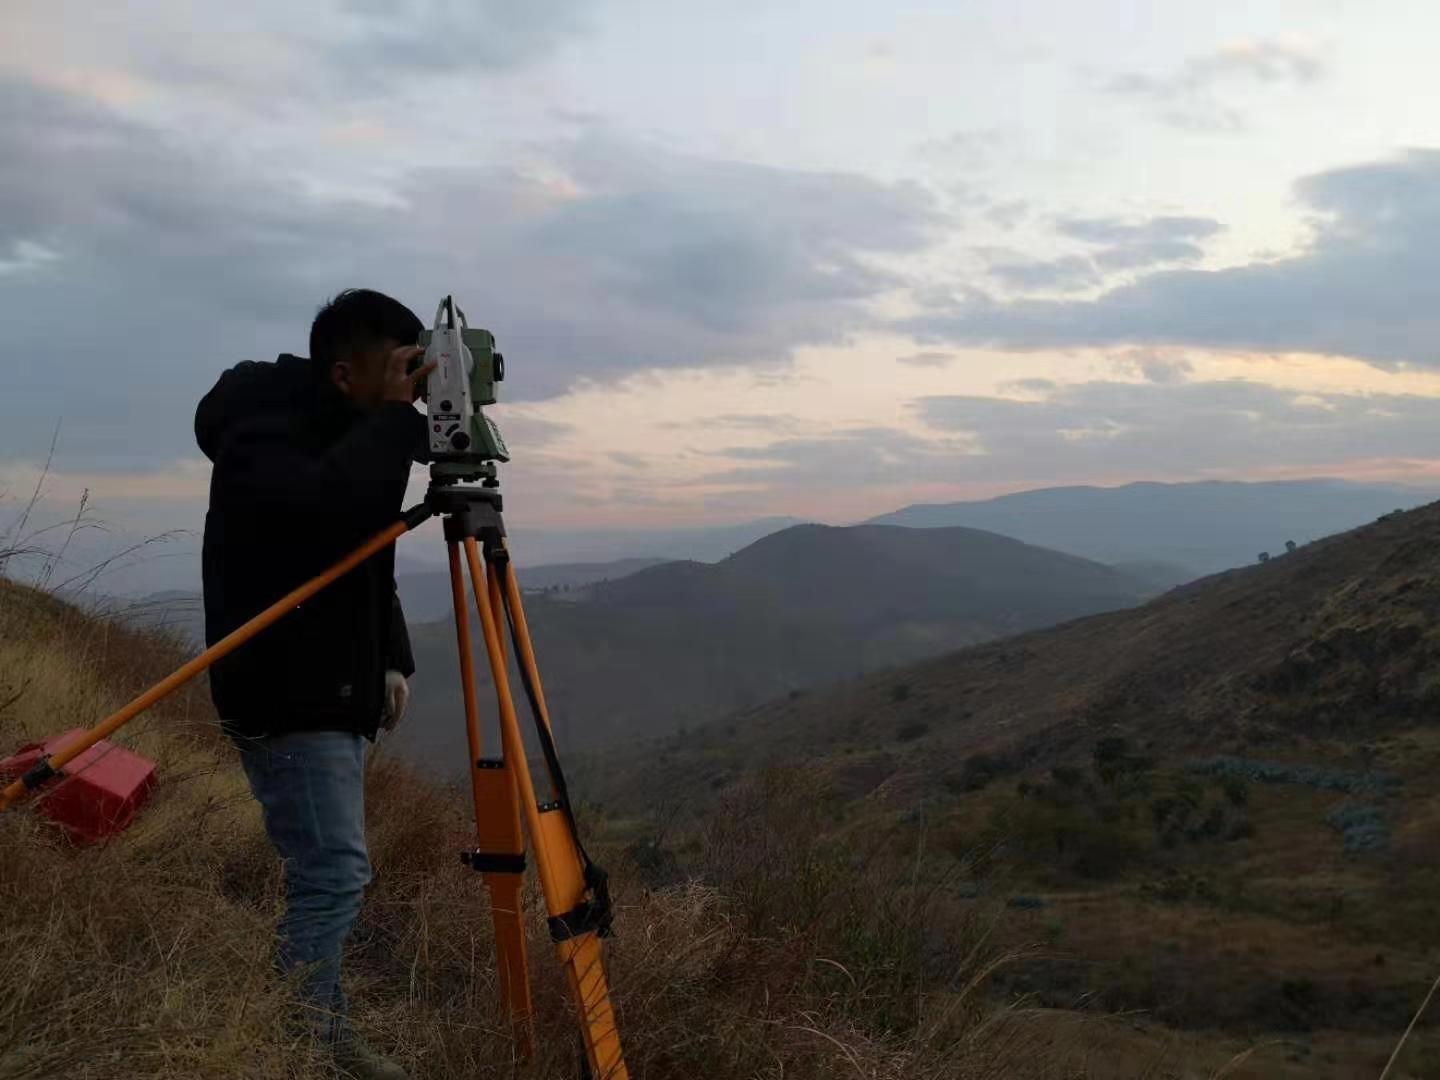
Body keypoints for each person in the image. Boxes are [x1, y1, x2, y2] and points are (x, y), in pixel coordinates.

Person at [194, 289, 435, 1080]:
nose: (415, 387)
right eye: (401, 371)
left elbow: (362, 548)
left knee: (326, 865)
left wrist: (389, 656)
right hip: (287, 692)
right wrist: (399, 424)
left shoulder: (337, 430)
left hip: (326, 682)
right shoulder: (263, 436)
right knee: (332, 871)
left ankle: (309, 1015)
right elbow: (331, 515)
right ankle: (305, 1037)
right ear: (343, 373)